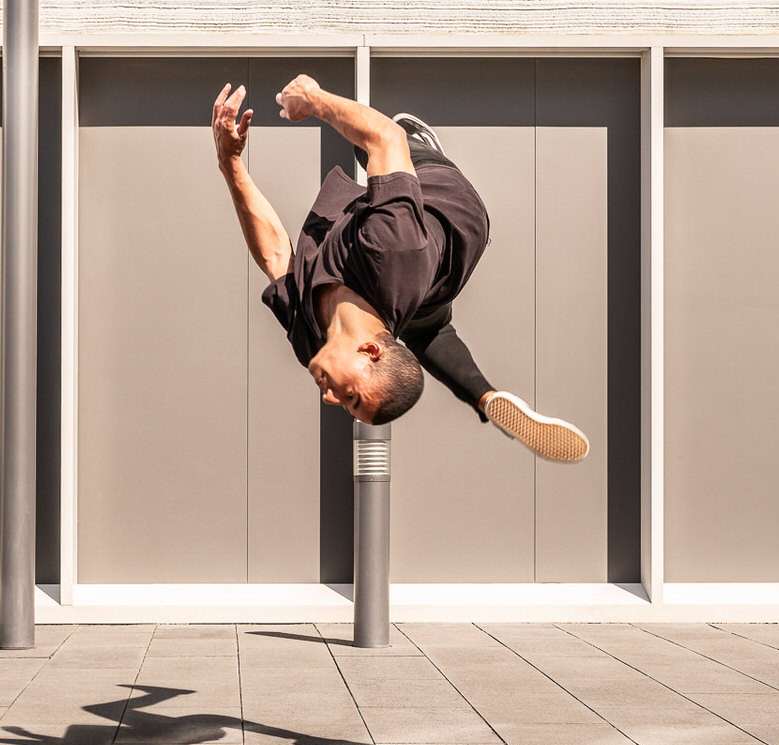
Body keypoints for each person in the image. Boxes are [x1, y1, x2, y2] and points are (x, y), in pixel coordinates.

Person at [211, 75, 588, 463]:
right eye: (350, 397)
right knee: (379, 147)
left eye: (346, 405)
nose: (329, 398)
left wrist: (230, 162)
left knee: (426, 325)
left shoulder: (313, 343)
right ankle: (423, 146)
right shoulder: (392, 248)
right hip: (450, 212)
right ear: (370, 350)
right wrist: (312, 98)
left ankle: (483, 395)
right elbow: (386, 137)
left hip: (413, 290)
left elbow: (275, 256)